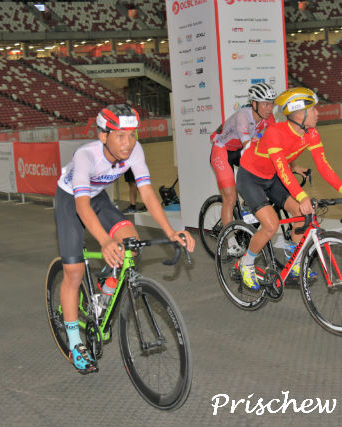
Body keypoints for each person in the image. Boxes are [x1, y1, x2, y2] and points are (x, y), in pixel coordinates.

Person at [54, 104, 195, 374]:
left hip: (98, 199)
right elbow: (81, 207)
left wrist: (170, 231)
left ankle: (104, 290)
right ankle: (75, 343)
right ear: (103, 136)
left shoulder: (135, 150)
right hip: (71, 201)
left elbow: (147, 193)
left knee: (132, 243)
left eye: (132, 135)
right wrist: (105, 241)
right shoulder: (86, 156)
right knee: (73, 272)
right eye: (120, 136)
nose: (128, 143)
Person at [236, 88, 342, 290]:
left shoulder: (310, 133)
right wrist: (303, 196)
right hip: (250, 178)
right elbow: (283, 170)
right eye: (313, 109)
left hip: (272, 177)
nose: (317, 113)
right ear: (298, 113)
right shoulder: (275, 133)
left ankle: (294, 260)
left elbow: (323, 166)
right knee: (271, 225)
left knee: (301, 214)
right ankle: (246, 263)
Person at [209, 82, 277, 255]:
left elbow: (275, 144)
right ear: (254, 104)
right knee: (230, 198)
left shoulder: (269, 119)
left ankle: (247, 205)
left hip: (239, 150)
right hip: (222, 151)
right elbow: (248, 148)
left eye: (271, 104)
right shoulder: (242, 117)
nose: (270, 108)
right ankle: (230, 241)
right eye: (265, 104)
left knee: (262, 177)